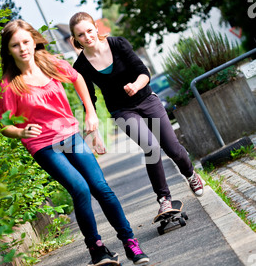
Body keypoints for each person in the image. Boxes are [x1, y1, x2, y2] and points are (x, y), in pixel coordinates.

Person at [0, 19, 149, 266]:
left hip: (70, 134)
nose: (23, 48)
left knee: (100, 186)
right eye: (15, 45)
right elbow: (5, 125)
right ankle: (97, 249)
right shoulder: (10, 85)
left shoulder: (51, 63)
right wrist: (21, 130)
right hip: (42, 145)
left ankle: (130, 241)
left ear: (34, 41)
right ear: (9, 50)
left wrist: (90, 112)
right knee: (80, 188)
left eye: (26, 42)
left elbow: (78, 79)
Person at [69, 12, 204, 216]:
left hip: (147, 100)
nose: (87, 37)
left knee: (173, 148)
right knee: (151, 147)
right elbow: (89, 101)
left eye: (89, 30)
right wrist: (94, 134)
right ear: (76, 39)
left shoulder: (117, 44)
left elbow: (144, 71)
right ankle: (164, 199)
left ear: (96, 28)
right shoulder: (80, 66)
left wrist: (135, 85)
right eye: (81, 35)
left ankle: (190, 174)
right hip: (122, 110)